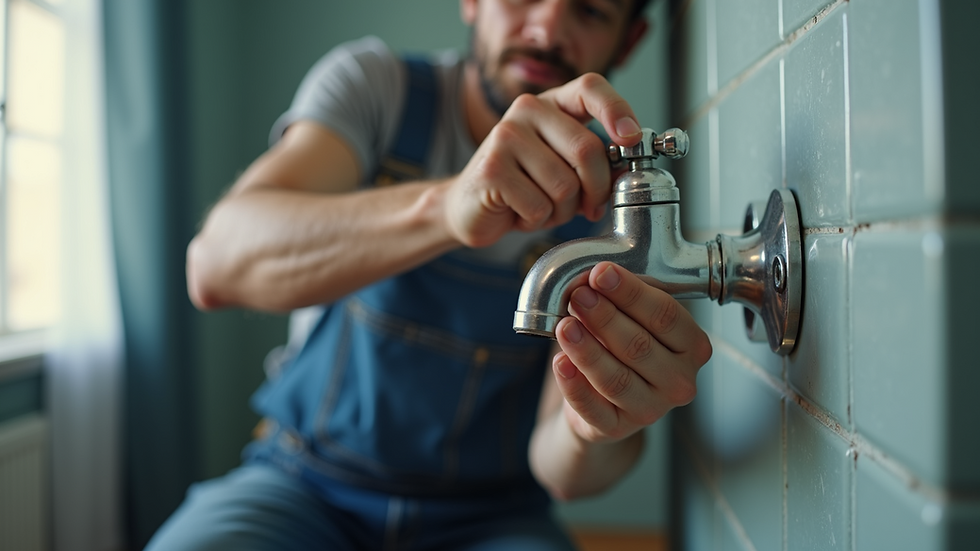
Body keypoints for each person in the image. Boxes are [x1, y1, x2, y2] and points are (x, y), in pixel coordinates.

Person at [148, 0, 711, 549]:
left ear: (629, 39)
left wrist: (597, 421)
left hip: (493, 517)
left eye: (590, 11)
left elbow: (562, 471)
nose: (546, 29)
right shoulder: (379, 91)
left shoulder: (614, 208)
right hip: (302, 485)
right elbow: (215, 265)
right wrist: (447, 206)